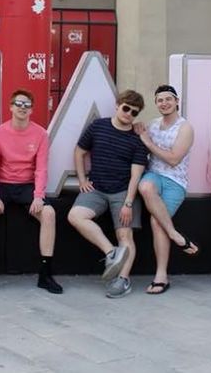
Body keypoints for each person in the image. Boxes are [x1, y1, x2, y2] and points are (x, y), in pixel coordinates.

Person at [0, 89, 62, 295]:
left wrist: (39, 196)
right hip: (3, 185)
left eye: (27, 105)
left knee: (49, 213)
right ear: (11, 107)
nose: (22, 108)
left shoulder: (41, 134)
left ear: (31, 110)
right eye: (19, 104)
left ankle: (45, 274)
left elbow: (41, 168)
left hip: (27, 185)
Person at [68, 90, 148, 298]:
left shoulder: (137, 139)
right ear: (118, 105)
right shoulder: (98, 126)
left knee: (125, 235)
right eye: (126, 108)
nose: (129, 114)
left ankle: (122, 280)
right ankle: (111, 252)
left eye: (134, 112)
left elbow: (136, 174)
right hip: (96, 188)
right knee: (75, 216)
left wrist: (128, 203)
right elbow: (79, 151)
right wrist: (82, 179)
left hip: (123, 192)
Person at [136, 84, 198, 295]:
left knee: (157, 221)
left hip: (175, 181)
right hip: (154, 176)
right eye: (160, 100)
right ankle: (176, 236)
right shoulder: (152, 125)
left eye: (168, 99)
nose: (164, 103)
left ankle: (161, 276)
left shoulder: (185, 127)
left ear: (177, 101)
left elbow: (173, 159)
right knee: (144, 186)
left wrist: (147, 142)